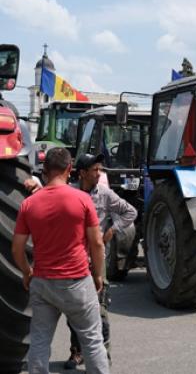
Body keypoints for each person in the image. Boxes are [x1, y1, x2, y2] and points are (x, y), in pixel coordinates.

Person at [24, 153, 137, 370]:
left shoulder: (104, 194)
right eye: (95, 170)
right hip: (73, 263)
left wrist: (113, 229)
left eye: (100, 169)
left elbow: (129, 212)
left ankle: (103, 357)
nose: (99, 173)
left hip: (95, 262)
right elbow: (47, 201)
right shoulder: (71, 192)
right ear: (81, 173)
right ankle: (78, 353)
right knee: (75, 316)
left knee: (99, 315)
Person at [12, 147, 110, 374]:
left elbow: (17, 248)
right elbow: (96, 243)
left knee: (39, 341)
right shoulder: (83, 200)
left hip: (43, 282)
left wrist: (28, 272)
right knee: (92, 342)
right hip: (77, 282)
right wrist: (97, 275)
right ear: (69, 169)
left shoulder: (30, 204)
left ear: (45, 170)